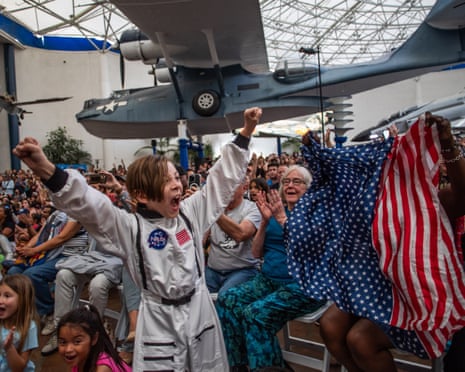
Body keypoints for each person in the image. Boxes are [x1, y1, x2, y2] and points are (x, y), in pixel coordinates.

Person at [12, 106, 261, 371]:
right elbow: (89, 205)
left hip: (200, 312)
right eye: (168, 182)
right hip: (160, 321)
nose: (178, 185)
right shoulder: (129, 228)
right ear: (142, 195)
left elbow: (220, 181)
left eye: (177, 178)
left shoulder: (190, 214)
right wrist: (48, 170)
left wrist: (246, 131)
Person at [284, 113, 465, 371]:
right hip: (382, 287)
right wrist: (324, 159)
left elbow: (463, 194)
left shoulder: (432, 203)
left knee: (359, 340)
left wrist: (447, 143)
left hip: (423, 296)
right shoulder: (376, 201)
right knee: (330, 325)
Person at [215, 165, 326, 371]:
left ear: (308, 188)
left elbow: (310, 254)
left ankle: (270, 367)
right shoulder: (274, 213)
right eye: (286, 182)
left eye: (297, 182)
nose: (290, 185)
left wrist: (283, 219)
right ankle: (239, 364)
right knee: (227, 300)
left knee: (255, 315)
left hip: (303, 287)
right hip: (268, 281)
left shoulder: (317, 214)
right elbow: (256, 254)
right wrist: (265, 222)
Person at [41, 235, 123, 356]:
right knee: (63, 275)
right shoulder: (98, 219)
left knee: (97, 284)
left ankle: (95, 330)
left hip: (117, 263)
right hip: (94, 258)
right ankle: (61, 329)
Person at [205, 177, 261, 296]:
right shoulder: (214, 207)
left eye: (232, 184)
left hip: (242, 271)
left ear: (244, 188)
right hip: (212, 270)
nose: (226, 189)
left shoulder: (253, 208)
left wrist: (213, 211)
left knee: (225, 298)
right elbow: (200, 240)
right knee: (195, 295)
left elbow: (240, 234)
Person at [57, 304, 131, 372]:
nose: (68, 349)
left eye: (77, 341)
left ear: (94, 338)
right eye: (63, 342)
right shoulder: (80, 359)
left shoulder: (102, 368)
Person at [0, 274, 40, 371]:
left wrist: (9, 348)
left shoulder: (29, 327)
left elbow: (18, 368)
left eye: (7, 296)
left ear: (22, 300)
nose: (0, 300)